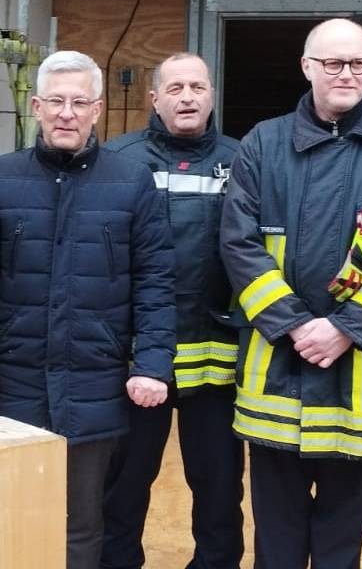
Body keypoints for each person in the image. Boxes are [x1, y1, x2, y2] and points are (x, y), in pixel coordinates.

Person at [220, 18, 362, 569]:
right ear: (307, 67)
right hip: (277, 369)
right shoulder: (262, 144)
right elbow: (238, 244)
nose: (348, 74)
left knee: (345, 530)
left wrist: (346, 328)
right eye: (334, 63)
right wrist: (295, 324)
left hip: (358, 376)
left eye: (359, 63)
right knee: (275, 528)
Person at [0, 49, 177, 569]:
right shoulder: (2, 178)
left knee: (80, 525)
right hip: (14, 383)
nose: (66, 113)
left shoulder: (131, 181)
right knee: (10, 514)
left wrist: (152, 365)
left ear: (98, 110)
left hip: (94, 384)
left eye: (78, 102)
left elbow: (156, 284)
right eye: (55, 101)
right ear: (36, 107)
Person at [100, 52, 243, 569]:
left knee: (220, 483)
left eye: (198, 87)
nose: (188, 97)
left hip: (217, 359)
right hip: (140, 361)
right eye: (176, 87)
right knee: (125, 480)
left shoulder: (243, 159)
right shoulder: (117, 159)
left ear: (211, 96)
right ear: (154, 98)